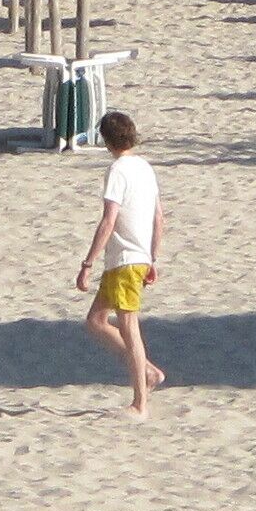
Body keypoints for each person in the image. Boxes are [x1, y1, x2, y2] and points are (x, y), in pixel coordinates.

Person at [74, 110, 167, 416]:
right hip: (132, 260)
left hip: (126, 261)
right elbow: (158, 218)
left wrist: (87, 263)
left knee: (130, 328)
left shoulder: (118, 170)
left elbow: (108, 220)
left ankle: (140, 403)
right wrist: (152, 257)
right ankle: (149, 372)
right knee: (96, 321)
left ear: (106, 140)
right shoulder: (145, 168)